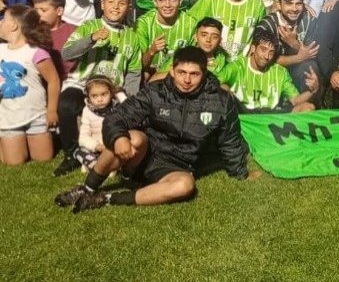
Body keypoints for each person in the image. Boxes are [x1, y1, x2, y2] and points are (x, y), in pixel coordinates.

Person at [53, 46, 249, 213]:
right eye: (181, 72)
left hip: (177, 167)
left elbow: (230, 140)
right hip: (142, 157)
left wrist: (240, 173)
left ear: (204, 73)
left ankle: (107, 198)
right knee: (132, 138)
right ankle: (87, 188)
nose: (187, 80)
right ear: (172, 71)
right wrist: (119, 138)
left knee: (185, 185)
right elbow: (117, 116)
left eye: (194, 74)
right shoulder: (155, 91)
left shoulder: (220, 101)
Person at [54, 0, 142, 177]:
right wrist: (91, 39)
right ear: (102, 4)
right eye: (111, 2)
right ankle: (72, 155)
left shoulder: (132, 38)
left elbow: (134, 72)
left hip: (113, 90)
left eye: (121, 3)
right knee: (66, 105)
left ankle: (120, 158)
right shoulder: (89, 26)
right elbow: (67, 53)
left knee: (130, 114)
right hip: (82, 84)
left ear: (129, 7)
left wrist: (131, 99)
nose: (115, 7)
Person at [0, 5, 60, 165]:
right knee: (14, 163)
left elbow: (53, 80)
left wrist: (52, 110)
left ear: (14, 26)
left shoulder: (36, 52)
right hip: (8, 119)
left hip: (36, 117)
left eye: (3, 20)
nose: (0, 23)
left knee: (44, 159)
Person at [217, 29, 317, 113]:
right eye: (263, 50)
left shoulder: (280, 72)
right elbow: (215, 82)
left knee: (308, 107)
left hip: (271, 117)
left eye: (271, 52)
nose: (267, 56)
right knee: (223, 89)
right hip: (244, 116)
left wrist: (312, 90)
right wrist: (226, 90)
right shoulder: (238, 66)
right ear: (253, 48)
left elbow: (295, 100)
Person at [255, 0, 320, 93]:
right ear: (279, 4)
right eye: (289, 3)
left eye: (298, 3)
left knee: (310, 66)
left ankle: (307, 100)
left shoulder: (308, 20)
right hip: (272, 69)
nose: (294, 9)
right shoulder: (267, 24)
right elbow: (265, 59)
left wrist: (293, 43)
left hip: (296, 70)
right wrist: (299, 57)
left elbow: (312, 53)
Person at [135, 0, 198, 77]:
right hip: (150, 76)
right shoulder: (143, 23)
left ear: (180, 0)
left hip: (179, 78)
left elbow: (196, 63)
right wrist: (151, 51)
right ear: (154, 2)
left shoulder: (191, 24)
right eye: (162, 0)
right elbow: (137, 66)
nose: (167, 5)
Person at [75, 77, 122, 173]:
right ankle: (99, 165)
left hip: (113, 146)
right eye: (94, 96)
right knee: (79, 152)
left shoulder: (118, 108)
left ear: (111, 93)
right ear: (88, 97)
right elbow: (83, 137)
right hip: (96, 148)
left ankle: (109, 166)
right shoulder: (87, 111)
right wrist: (96, 146)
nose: (100, 99)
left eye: (104, 94)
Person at [30, 0, 76, 77]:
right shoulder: (29, 31)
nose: (38, 14)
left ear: (59, 11)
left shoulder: (74, 33)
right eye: (35, 10)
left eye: (43, 10)